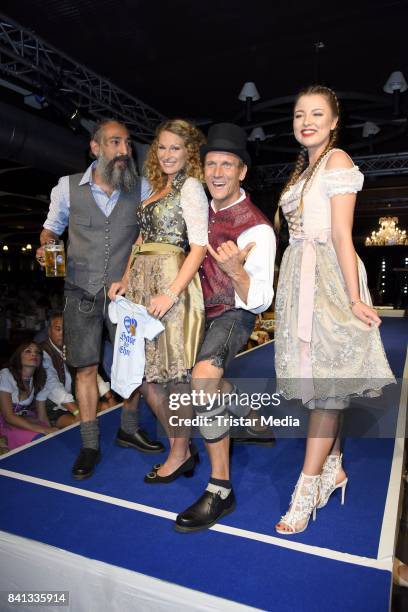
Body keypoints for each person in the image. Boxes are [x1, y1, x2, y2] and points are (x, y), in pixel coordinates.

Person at [273, 85, 395, 534]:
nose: (307, 121)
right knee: (323, 383)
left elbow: (343, 235)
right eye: (299, 113)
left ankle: (304, 492)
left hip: (328, 278)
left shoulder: (338, 161)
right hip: (300, 279)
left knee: (327, 391)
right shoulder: (301, 170)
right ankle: (335, 466)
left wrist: (354, 297)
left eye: (317, 113)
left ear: (334, 121)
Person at [36, 119, 163, 480]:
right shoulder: (66, 188)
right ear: (96, 148)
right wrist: (45, 246)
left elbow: (151, 235)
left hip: (126, 294)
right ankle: (90, 443)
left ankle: (128, 427)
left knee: (132, 364)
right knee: (86, 367)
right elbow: (50, 229)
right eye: (115, 143)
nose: (124, 151)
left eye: (126, 144)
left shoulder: (141, 188)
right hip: (80, 291)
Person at [175, 123, 276, 532]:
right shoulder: (197, 208)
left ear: (241, 172)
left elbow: (261, 300)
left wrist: (236, 272)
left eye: (227, 165)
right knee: (198, 385)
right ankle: (252, 416)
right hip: (196, 310)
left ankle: (220, 489)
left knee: (201, 384)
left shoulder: (257, 227)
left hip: (234, 311)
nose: (217, 172)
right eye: (211, 164)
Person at [109, 118, 208, 482]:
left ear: (189, 153)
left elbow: (198, 248)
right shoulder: (154, 186)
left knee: (174, 374)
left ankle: (179, 452)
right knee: (147, 375)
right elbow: (139, 239)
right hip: (139, 284)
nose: (167, 154)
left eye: (175, 148)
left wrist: (171, 291)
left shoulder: (192, 187)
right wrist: (124, 277)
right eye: (162, 147)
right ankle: (180, 445)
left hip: (171, 278)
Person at [41, 312, 117, 428]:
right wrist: (77, 411)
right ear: (49, 331)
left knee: (110, 408)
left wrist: (109, 396)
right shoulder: (42, 352)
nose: (63, 334)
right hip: (55, 407)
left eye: (67, 330)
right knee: (81, 423)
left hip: (76, 401)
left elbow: (90, 373)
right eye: (58, 329)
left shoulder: (72, 348)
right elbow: (53, 386)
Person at [0, 342, 57, 450]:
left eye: (38, 353)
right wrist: (43, 430)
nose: (34, 355)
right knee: (40, 438)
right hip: (5, 423)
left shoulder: (39, 379)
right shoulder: (6, 375)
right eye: (28, 351)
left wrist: (50, 430)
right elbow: (8, 417)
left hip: (24, 418)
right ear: (18, 356)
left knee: (52, 438)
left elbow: (42, 416)